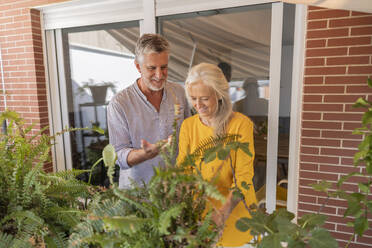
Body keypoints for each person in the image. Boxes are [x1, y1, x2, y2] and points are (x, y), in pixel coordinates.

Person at [177, 63, 257, 247]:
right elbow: (183, 172)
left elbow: (243, 178)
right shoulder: (188, 126)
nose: (198, 105)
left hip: (236, 210)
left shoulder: (240, 125)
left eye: (204, 98)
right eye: (193, 98)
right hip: (199, 211)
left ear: (219, 95)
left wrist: (221, 214)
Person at [107, 34, 190, 189]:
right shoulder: (119, 104)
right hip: (138, 197)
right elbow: (118, 155)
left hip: (176, 191)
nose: (159, 75)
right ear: (138, 66)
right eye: (152, 68)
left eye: (164, 67)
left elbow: (189, 135)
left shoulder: (179, 93)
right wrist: (144, 154)